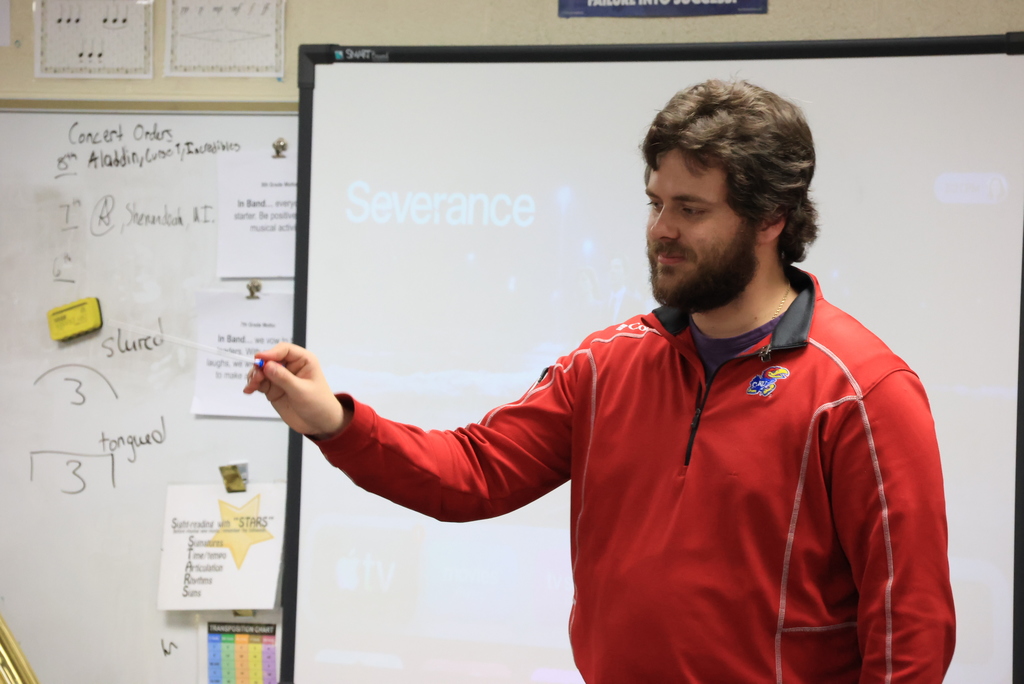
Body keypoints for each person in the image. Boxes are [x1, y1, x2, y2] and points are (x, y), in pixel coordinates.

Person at [244, 79, 956, 683]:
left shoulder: (861, 390)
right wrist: (333, 422)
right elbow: (471, 474)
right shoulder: (608, 364)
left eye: (691, 209)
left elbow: (910, 625)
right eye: (656, 202)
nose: (661, 229)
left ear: (772, 218)